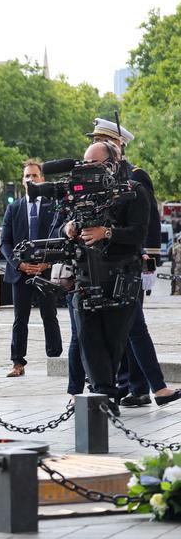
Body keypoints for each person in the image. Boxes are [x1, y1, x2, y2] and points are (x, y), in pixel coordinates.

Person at [81, 119, 181, 408]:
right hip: (98, 264)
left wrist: (148, 258)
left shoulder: (135, 177)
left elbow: (147, 222)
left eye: (106, 141)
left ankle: (143, 386)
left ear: (118, 145)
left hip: (127, 261)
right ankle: (135, 385)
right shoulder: (92, 178)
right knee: (128, 328)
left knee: (133, 326)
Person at [63, 141, 148, 415]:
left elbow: (138, 234)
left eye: (94, 163)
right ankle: (102, 395)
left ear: (112, 162)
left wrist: (106, 232)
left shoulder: (135, 193)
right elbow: (68, 221)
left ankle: (108, 395)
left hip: (120, 279)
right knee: (87, 338)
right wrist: (70, 227)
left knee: (113, 341)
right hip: (86, 278)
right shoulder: (81, 194)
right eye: (85, 163)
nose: (87, 169)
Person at [0, 158, 63, 378]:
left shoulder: (51, 206)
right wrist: (19, 264)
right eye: (27, 176)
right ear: (22, 181)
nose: (31, 179)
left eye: (35, 175)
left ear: (42, 179)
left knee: (49, 315)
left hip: (45, 270)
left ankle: (56, 360)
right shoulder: (14, 208)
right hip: (21, 273)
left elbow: (58, 236)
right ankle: (18, 363)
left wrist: (48, 262)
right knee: (20, 319)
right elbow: (4, 242)